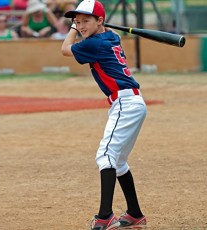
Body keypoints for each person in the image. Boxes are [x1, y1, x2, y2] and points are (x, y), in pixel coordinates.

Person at [61, 0, 147, 229]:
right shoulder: (110, 37)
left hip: (125, 103)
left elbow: (64, 50)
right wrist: (86, 25)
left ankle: (104, 216)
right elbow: (94, 35)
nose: (80, 26)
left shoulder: (95, 43)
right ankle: (135, 214)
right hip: (133, 102)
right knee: (118, 162)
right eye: (77, 22)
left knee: (105, 156)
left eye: (85, 21)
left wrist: (71, 29)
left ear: (100, 21)